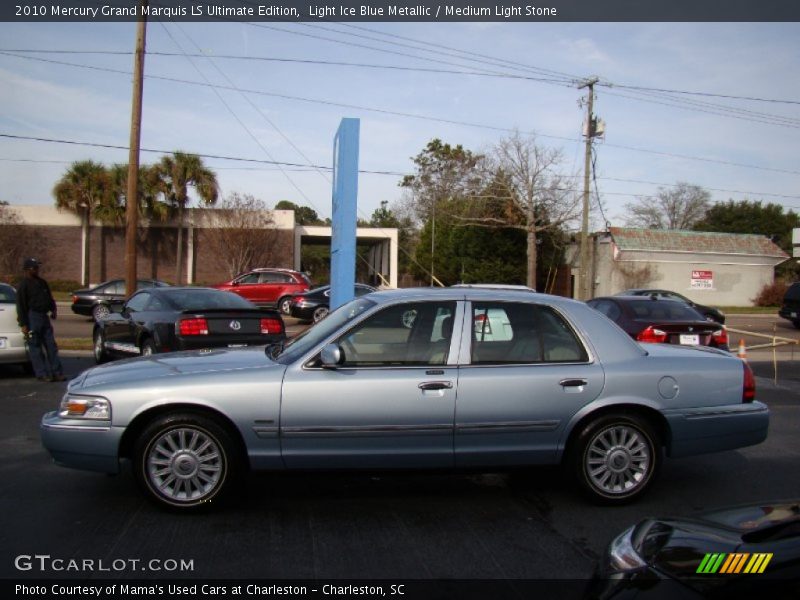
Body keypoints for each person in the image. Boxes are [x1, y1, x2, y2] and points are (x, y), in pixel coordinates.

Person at [16, 258, 65, 382]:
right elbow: (21, 306)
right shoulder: (23, 285)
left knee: (51, 346)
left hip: (44, 317)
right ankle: (42, 373)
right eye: (34, 268)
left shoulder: (42, 283)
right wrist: (24, 324)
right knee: (35, 346)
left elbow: (49, 297)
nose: (37, 270)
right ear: (28, 270)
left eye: (37, 267)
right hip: (33, 316)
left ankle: (57, 372)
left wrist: (53, 309)